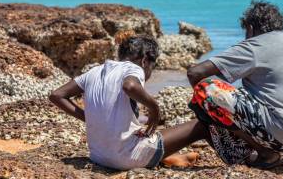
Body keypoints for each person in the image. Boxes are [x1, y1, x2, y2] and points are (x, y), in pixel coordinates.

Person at [186, 0, 283, 168]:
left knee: (207, 88)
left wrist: (207, 112)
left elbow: (195, 73)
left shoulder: (257, 44)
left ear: (250, 28)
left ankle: (266, 153)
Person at [49, 35, 199, 170]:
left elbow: (57, 95)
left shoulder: (95, 71)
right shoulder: (135, 68)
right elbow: (130, 86)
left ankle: (168, 158)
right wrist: (154, 108)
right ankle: (223, 164)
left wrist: (90, 118)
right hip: (125, 158)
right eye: (152, 68)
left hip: (98, 156)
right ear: (145, 60)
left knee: (140, 129)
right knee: (201, 125)